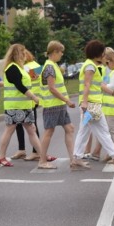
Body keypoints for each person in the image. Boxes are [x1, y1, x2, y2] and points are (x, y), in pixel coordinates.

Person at [72, 40, 114, 170]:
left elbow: (99, 85)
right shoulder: (90, 67)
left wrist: (113, 93)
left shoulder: (91, 65)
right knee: (103, 131)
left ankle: (76, 158)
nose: (104, 55)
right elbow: (87, 84)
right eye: (103, 53)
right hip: (92, 105)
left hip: (91, 105)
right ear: (97, 53)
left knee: (84, 130)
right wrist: (86, 102)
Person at [0, 44, 47, 168]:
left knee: (31, 130)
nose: (25, 55)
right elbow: (19, 86)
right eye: (23, 53)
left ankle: (42, 157)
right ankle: (1, 156)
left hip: (23, 105)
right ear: (18, 54)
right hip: (15, 106)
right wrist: (34, 97)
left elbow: (18, 84)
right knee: (10, 130)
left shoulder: (19, 68)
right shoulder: (12, 68)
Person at [37, 40, 76, 169]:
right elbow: (52, 88)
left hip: (58, 105)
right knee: (49, 131)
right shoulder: (49, 67)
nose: (62, 55)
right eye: (60, 52)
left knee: (69, 128)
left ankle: (73, 159)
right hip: (52, 105)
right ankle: (42, 161)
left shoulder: (53, 65)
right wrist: (67, 100)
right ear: (54, 52)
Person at [11, 50, 44, 161]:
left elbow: (22, 83)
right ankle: (32, 151)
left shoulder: (26, 68)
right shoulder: (37, 66)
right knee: (29, 125)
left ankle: (32, 151)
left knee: (27, 126)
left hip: (27, 99)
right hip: (34, 98)